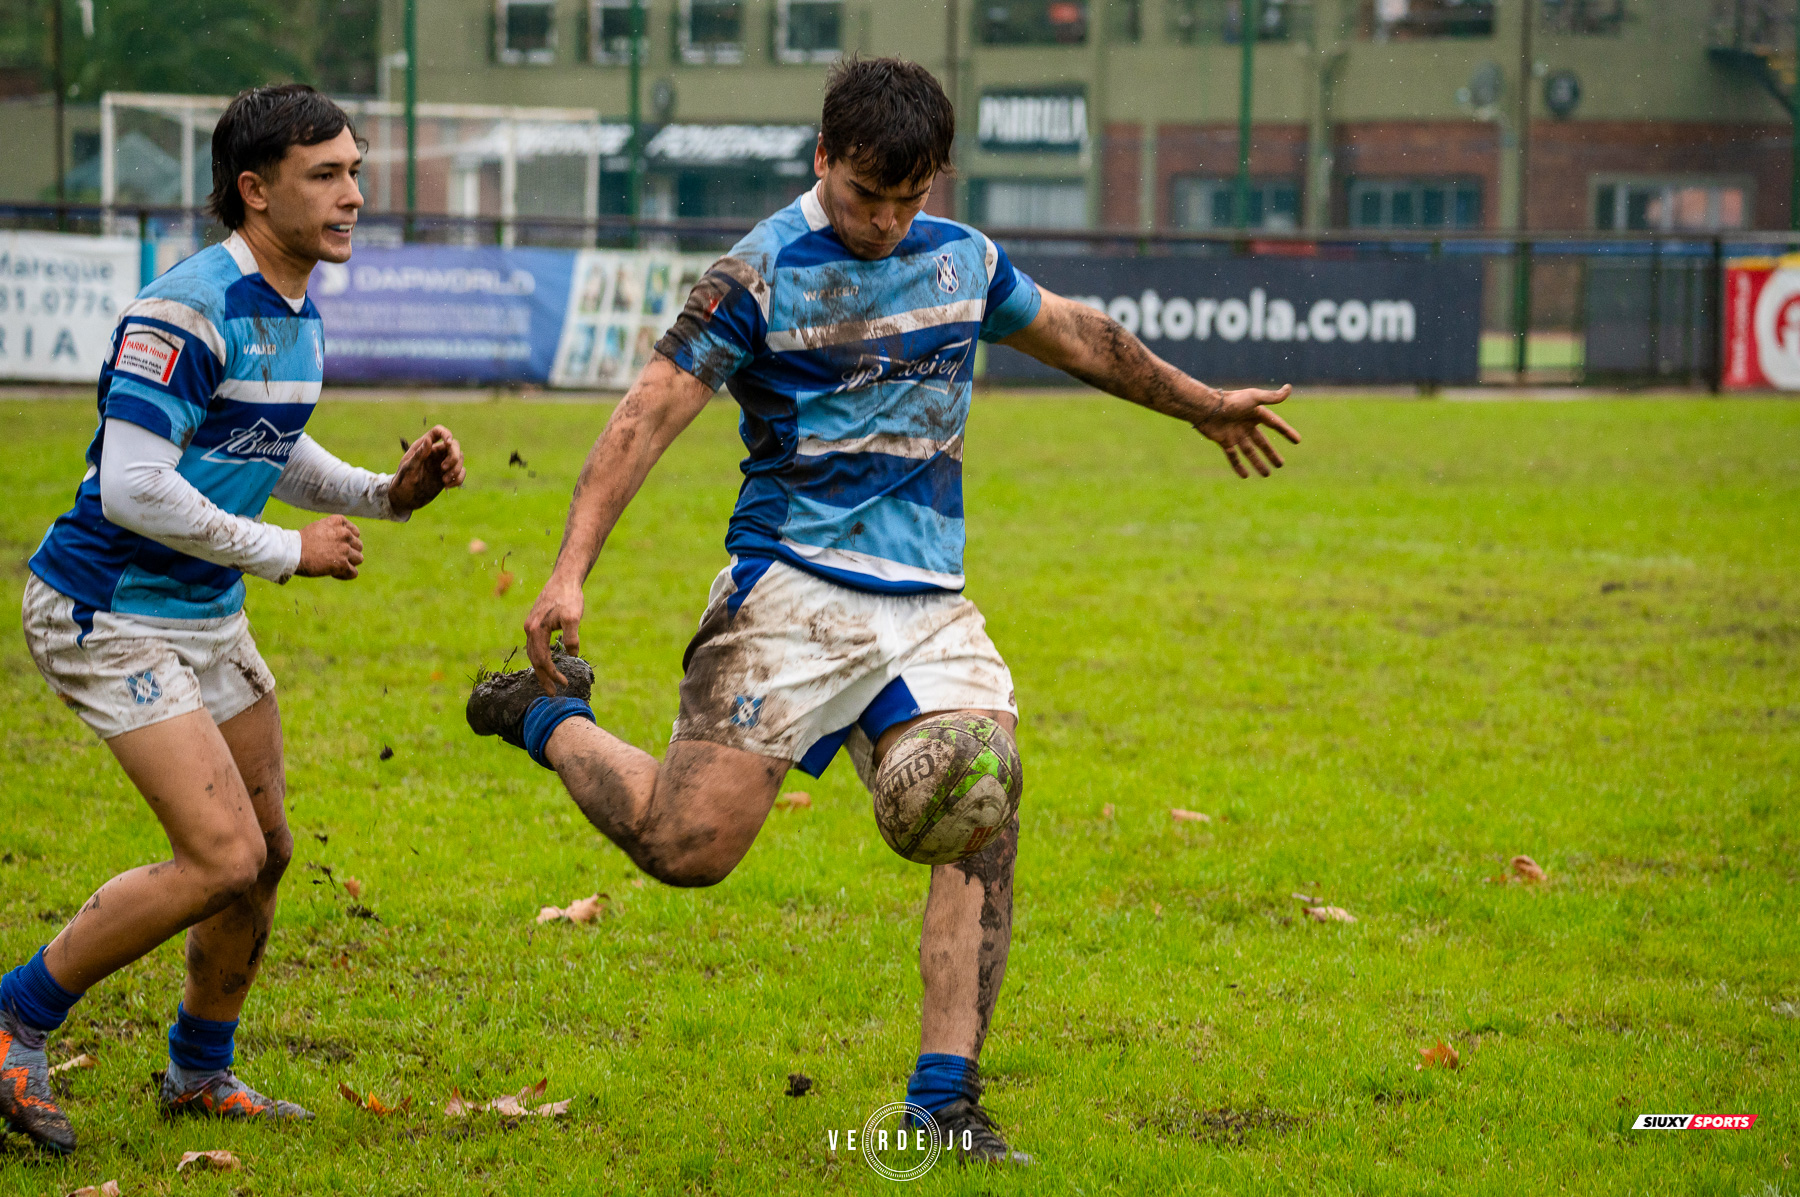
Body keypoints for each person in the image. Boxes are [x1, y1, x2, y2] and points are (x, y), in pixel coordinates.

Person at [466, 57, 1297, 1165]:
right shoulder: (756, 275)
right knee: (688, 848)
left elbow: (1076, 333)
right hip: (792, 592)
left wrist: (1202, 405)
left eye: (911, 199)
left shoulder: (963, 259)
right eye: (868, 197)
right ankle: (541, 716)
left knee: (980, 795)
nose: (888, 221)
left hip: (928, 605)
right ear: (824, 160)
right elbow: (647, 415)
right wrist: (569, 571)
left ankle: (943, 1103)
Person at [0, 84, 465, 1154]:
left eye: (355, 170)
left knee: (265, 856)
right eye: (328, 175)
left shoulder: (292, 301)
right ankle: (16, 1019)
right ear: (255, 191)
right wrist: (286, 554)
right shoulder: (189, 306)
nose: (355, 195)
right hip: (108, 609)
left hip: (203, 612)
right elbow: (133, 484)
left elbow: (268, 445)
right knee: (218, 855)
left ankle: (200, 1073)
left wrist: (384, 497)